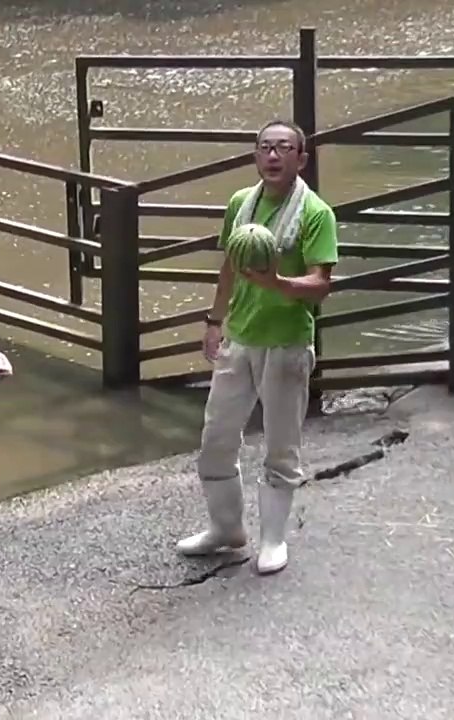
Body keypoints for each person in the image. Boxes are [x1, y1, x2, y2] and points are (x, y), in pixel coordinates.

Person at [174, 119, 338, 575]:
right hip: (240, 340)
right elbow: (229, 267)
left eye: (284, 148)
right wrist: (214, 320)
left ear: (300, 159)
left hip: (286, 344)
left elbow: (321, 285)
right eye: (265, 147)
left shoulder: (316, 213)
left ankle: (273, 540)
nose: (273, 155)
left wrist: (278, 282)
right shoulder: (240, 205)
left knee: (282, 448)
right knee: (215, 441)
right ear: (255, 155)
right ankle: (227, 530)